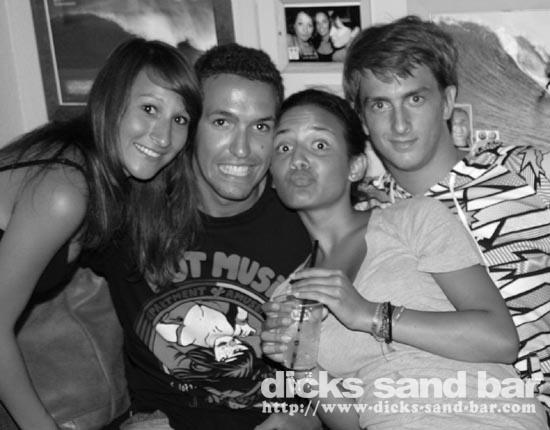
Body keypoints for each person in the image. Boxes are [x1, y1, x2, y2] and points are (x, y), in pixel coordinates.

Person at [262, 88, 548, 429]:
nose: (297, 159)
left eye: (319, 145)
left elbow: (500, 340)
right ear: (273, 177)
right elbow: (352, 422)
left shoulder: (413, 218)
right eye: (284, 148)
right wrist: (304, 368)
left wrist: (369, 314)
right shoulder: (288, 298)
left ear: (355, 167)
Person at [87, 43, 321, 430]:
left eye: (261, 126)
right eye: (222, 122)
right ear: (191, 126)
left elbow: (346, 362)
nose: (243, 149)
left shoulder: (307, 222)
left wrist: (306, 418)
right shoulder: (131, 212)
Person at [342, 15, 550, 411]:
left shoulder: (526, 171)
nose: (399, 124)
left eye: (415, 99)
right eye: (381, 105)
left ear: (449, 101)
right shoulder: (369, 218)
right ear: (362, 118)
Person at [0, 37, 202, 430]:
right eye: (149, 109)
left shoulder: (107, 181)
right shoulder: (65, 189)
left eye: (180, 120)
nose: (163, 137)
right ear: (112, 101)